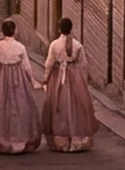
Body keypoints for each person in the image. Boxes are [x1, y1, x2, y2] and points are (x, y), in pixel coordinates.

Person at [0, 19, 41, 154]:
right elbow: (26, 67)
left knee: (0, 107)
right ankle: (19, 139)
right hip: (18, 81)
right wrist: (33, 81)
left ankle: (1, 138)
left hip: (1, 79)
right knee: (20, 108)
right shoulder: (20, 47)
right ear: (14, 31)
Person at [41, 17, 97, 152]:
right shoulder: (77, 45)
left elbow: (49, 64)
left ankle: (61, 138)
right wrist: (82, 81)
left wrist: (45, 78)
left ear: (60, 29)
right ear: (71, 28)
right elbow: (83, 64)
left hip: (58, 77)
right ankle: (76, 137)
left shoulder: (54, 45)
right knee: (75, 106)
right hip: (74, 77)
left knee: (59, 106)